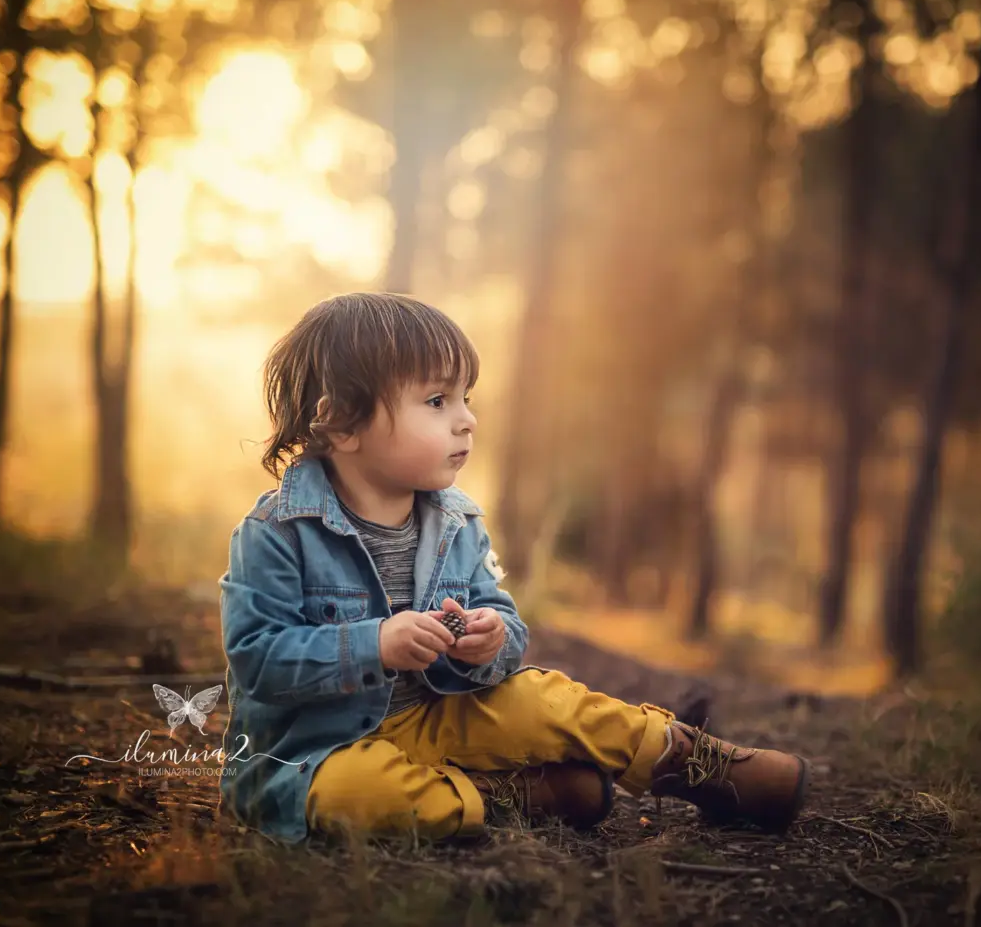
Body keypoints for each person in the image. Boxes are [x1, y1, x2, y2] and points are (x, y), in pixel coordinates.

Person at [217, 292, 811, 846]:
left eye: (465, 399)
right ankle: (508, 797)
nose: (466, 419)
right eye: (436, 401)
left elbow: (505, 629)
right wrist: (372, 643)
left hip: (435, 721)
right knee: (357, 793)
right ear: (343, 423)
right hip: (317, 752)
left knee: (541, 698)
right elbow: (257, 660)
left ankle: (695, 763)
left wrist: (490, 640)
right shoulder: (277, 532)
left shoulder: (457, 523)